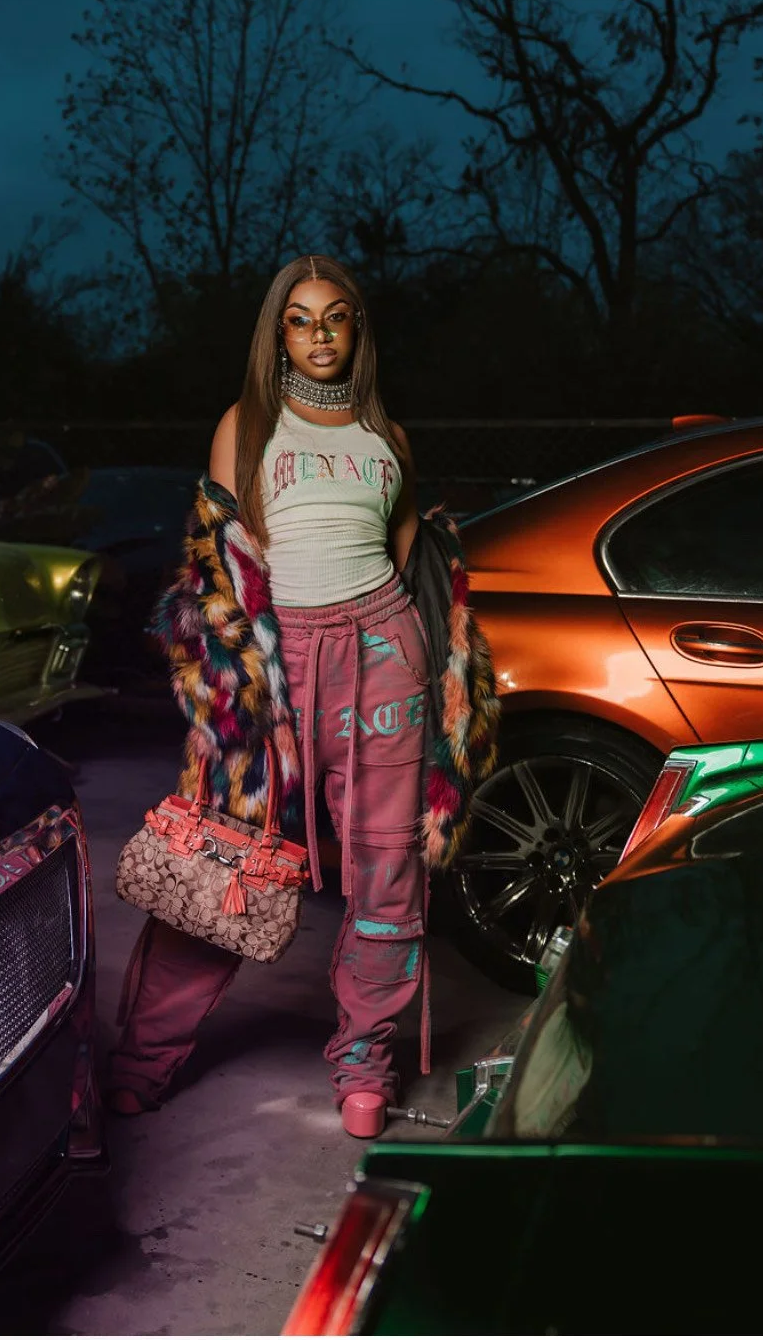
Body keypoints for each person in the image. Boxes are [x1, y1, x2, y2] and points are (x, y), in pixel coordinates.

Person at [108, 254, 501, 1138]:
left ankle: (365, 1063)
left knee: (388, 869)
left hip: (382, 652)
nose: (319, 333)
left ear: (357, 329)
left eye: (336, 316)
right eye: (299, 317)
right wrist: (249, 678)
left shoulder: (388, 436)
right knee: (226, 861)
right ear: (276, 332)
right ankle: (140, 1058)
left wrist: (401, 651)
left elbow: (404, 555)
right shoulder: (245, 426)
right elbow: (223, 565)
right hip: (282, 661)